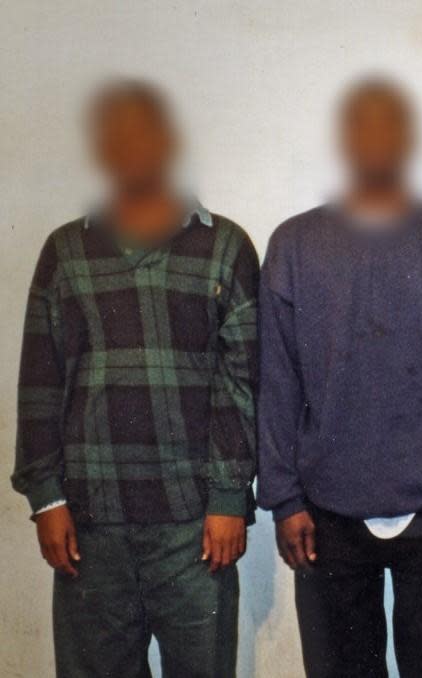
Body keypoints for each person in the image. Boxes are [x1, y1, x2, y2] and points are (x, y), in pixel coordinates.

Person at [12, 80, 258, 677]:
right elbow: (40, 381)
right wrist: (47, 497)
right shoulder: (66, 252)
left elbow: (242, 383)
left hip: (193, 526)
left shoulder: (224, 246)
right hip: (91, 527)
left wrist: (229, 498)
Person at [256, 78, 422, 678]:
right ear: (342, 139)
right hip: (325, 510)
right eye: (361, 125)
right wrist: (283, 498)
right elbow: (277, 381)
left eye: (390, 125)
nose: (376, 140)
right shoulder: (294, 246)